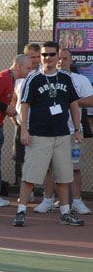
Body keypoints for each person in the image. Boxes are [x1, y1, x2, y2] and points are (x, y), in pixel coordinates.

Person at [13, 41, 83, 227]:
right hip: (38, 136)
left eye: (52, 55)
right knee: (30, 176)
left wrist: (77, 129)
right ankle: (21, 212)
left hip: (62, 135)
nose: (48, 58)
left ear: (57, 57)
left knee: (63, 175)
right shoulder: (33, 79)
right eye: (44, 55)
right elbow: (24, 106)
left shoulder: (67, 79)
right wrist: (24, 130)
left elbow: (74, 105)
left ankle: (65, 212)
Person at [33, 48, 93, 215]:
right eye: (58, 58)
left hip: (72, 131)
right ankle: (48, 200)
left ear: (71, 61)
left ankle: (77, 201)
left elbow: (91, 100)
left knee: (74, 167)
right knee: (49, 167)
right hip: (49, 131)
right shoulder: (42, 78)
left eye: (65, 58)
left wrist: (72, 100)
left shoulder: (78, 80)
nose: (61, 61)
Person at [0, 55, 32, 207]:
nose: (29, 71)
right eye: (28, 68)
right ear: (19, 67)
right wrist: (6, 108)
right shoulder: (3, 78)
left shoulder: (11, 80)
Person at [11, 43, 42, 187]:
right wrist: (14, 118)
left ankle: (46, 194)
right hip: (22, 124)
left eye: (37, 57)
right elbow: (13, 99)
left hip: (39, 124)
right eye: (31, 57)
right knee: (22, 158)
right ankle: (25, 191)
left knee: (43, 159)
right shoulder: (18, 77)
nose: (35, 60)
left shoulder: (45, 73)